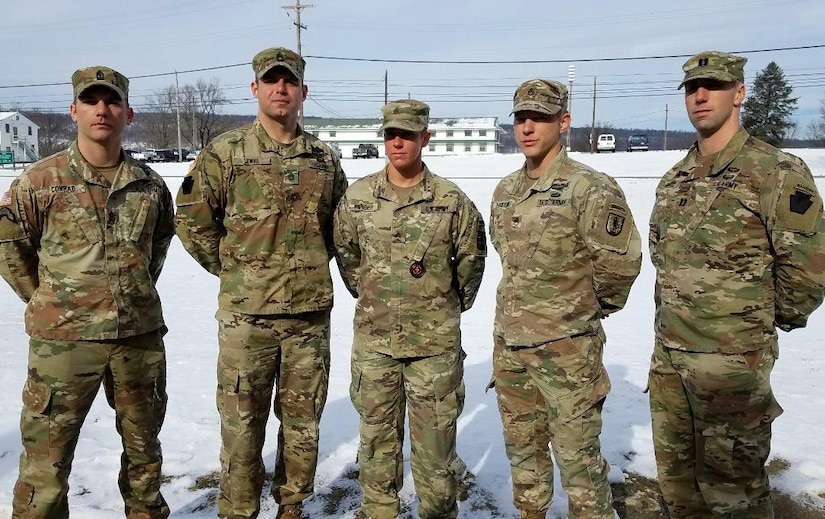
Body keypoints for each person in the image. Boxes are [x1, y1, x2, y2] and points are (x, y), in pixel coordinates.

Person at [648, 50, 825, 518]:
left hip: (731, 367)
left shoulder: (775, 171)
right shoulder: (675, 178)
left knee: (735, 495)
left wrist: (751, 331)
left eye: (713, 86)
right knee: (678, 487)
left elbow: (807, 270)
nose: (700, 96)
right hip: (670, 359)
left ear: (740, 93)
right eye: (691, 88)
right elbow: (662, 255)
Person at [174, 46, 347, 519]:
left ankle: (292, 505)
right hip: (246, 321)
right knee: (241, 425)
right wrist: (234, 268)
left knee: (303, 423)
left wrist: (311, 263)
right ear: (255, 88)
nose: (280, 88)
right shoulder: (225, 152)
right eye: (271, 80)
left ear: (303, 92)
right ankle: (239, 508)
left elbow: (342, 226)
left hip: (308, 319)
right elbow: (191, 219)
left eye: (289, 81)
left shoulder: (324, 159)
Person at [0, 66, 175, 518]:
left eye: (112, 101)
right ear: (73, 110)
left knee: (145, 457)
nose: (103, 110)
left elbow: (156, 246)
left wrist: (131, 292)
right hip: (64, 347)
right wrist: (48, 299)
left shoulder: (149, 184)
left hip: (137, 340)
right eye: (92, 101)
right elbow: (9, 243)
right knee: (46, 464)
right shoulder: (41, 181)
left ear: (128, 114)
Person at [489, 79, 642, 519]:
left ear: (564, 122)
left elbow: (619, 266)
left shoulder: (590, 188)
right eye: (521, 117)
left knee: (579, 466)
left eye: (539, 117)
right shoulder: (506, 191)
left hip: (568, 354)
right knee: (524, 459)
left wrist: (581, 315)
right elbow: (507, 258)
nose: (528, 127)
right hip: (513, 349)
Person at [333, 99, 486, 519]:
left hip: (434, 350)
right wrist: (375, 299)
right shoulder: (358, 198)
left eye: (407, 134)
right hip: (376, 346)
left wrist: (439, 308)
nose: (397, 142)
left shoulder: (452, 202)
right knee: (377, 450)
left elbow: (470, 266)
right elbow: (347, 258)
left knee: (437, 458)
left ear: (425, 138)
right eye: (390, 134)